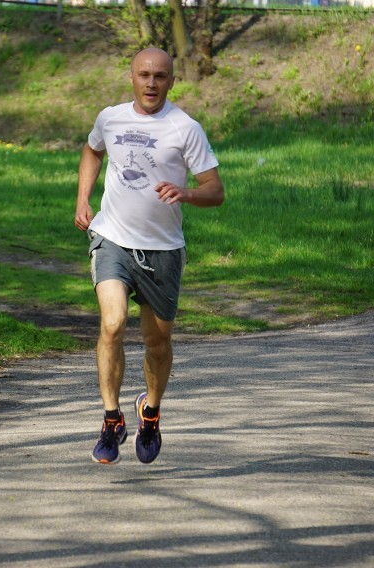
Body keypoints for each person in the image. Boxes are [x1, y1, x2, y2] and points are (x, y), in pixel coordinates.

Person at [74, 47, 225, 464]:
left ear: (172, 81)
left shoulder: (185, 128)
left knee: (157, 342)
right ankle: (110, 419)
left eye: (160, 76)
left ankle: (151, 412)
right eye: (144, 75)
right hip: (112, 238)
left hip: (163, 249)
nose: (152, 83)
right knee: (112, 323)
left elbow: (216, 190)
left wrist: (187, 192)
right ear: (132, 77)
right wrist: (83, 198)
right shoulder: (110, 117)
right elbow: (93, 150)